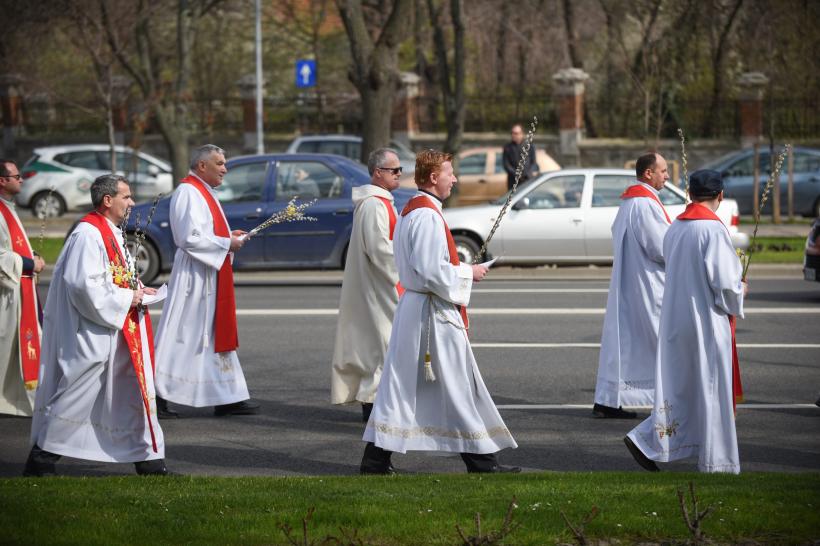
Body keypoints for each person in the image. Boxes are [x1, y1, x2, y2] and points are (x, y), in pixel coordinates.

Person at [360, 149, 519, 475]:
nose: (455, 179)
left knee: (404, 387)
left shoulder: (411, 211)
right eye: (450, 173)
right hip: (431, 315)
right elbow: (431, 271)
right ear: (434, 178)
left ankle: (376, 460)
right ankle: (481, 462)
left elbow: (425, 264)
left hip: (419, 310)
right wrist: (467, 274)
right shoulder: (427, 215)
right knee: (455, 385)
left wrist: (458, 267)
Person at [25, 175, 167, 476]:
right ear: (107, 200)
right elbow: (83, 286)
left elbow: (113, 275)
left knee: (132, 391)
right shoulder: (88, 235)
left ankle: (149, 459)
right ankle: (42, 458)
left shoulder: (111, 231)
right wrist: (131, 296)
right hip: (94, 331)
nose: (131, 203)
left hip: (117, 328)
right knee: (79, 392)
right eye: (126, 197)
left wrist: (139, 287)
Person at [625, 169, 747, 474]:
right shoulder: (713, 229)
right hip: (706, 320)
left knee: (683, 389)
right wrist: (740, 288)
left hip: (677, 320)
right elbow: (724, 285)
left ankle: (648, 440)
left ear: (690, 194)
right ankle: (718, 462)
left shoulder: (677, 226)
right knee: (711, 388)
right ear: (720, 195)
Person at [153, 144, 259, 418]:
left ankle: (227, 396)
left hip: (210, 272)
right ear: (202, 166)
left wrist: (227, 236)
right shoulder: (188, 191)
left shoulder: (203, 191)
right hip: (195, 277)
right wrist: (227, 243)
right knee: (183, 334)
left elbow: (205, 231)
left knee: (212, 335)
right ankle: (157, 394)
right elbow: (188, 238)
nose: (225, 168)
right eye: (220, 163)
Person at [592, 152, 671, 419]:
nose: (667, 176)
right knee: (659, 340)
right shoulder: (645, 204)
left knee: (621, 342)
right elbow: (661, 247)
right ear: (649, 173)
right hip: (649, 284)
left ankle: (608, 400)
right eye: (664, 170)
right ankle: (669, 400)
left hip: (630, 281)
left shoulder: (630, 201)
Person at [331, 148, 403, 422]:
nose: (399, 174)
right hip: (380, 287)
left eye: (399, 170)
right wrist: (408, 265)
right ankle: (374, 409)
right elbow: (380, 250)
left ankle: (376, 407)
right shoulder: (374, 204)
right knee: (382, 348)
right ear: (377, 173)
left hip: (379, 285)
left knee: (380, 348)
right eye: (394, 170)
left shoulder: (380, 201)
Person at [0, 159, 45, 416]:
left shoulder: (8, 207)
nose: (21, 180)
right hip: (7, 294)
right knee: (7, 347)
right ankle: (8, 399)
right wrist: (30, 263)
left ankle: (18, 398)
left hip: (21, 289)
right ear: (2, 181)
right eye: (17, 176)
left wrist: (31, 254)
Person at [502, 123, 538, 191]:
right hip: (513, 181)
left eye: (516, 133)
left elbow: (533, 162)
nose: (513, 135)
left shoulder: (529, 146)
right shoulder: (507, 147)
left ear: (521, 134)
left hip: (528, 180)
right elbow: (506, 164)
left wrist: (527, 173)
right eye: (512, 133)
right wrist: (516, 173)